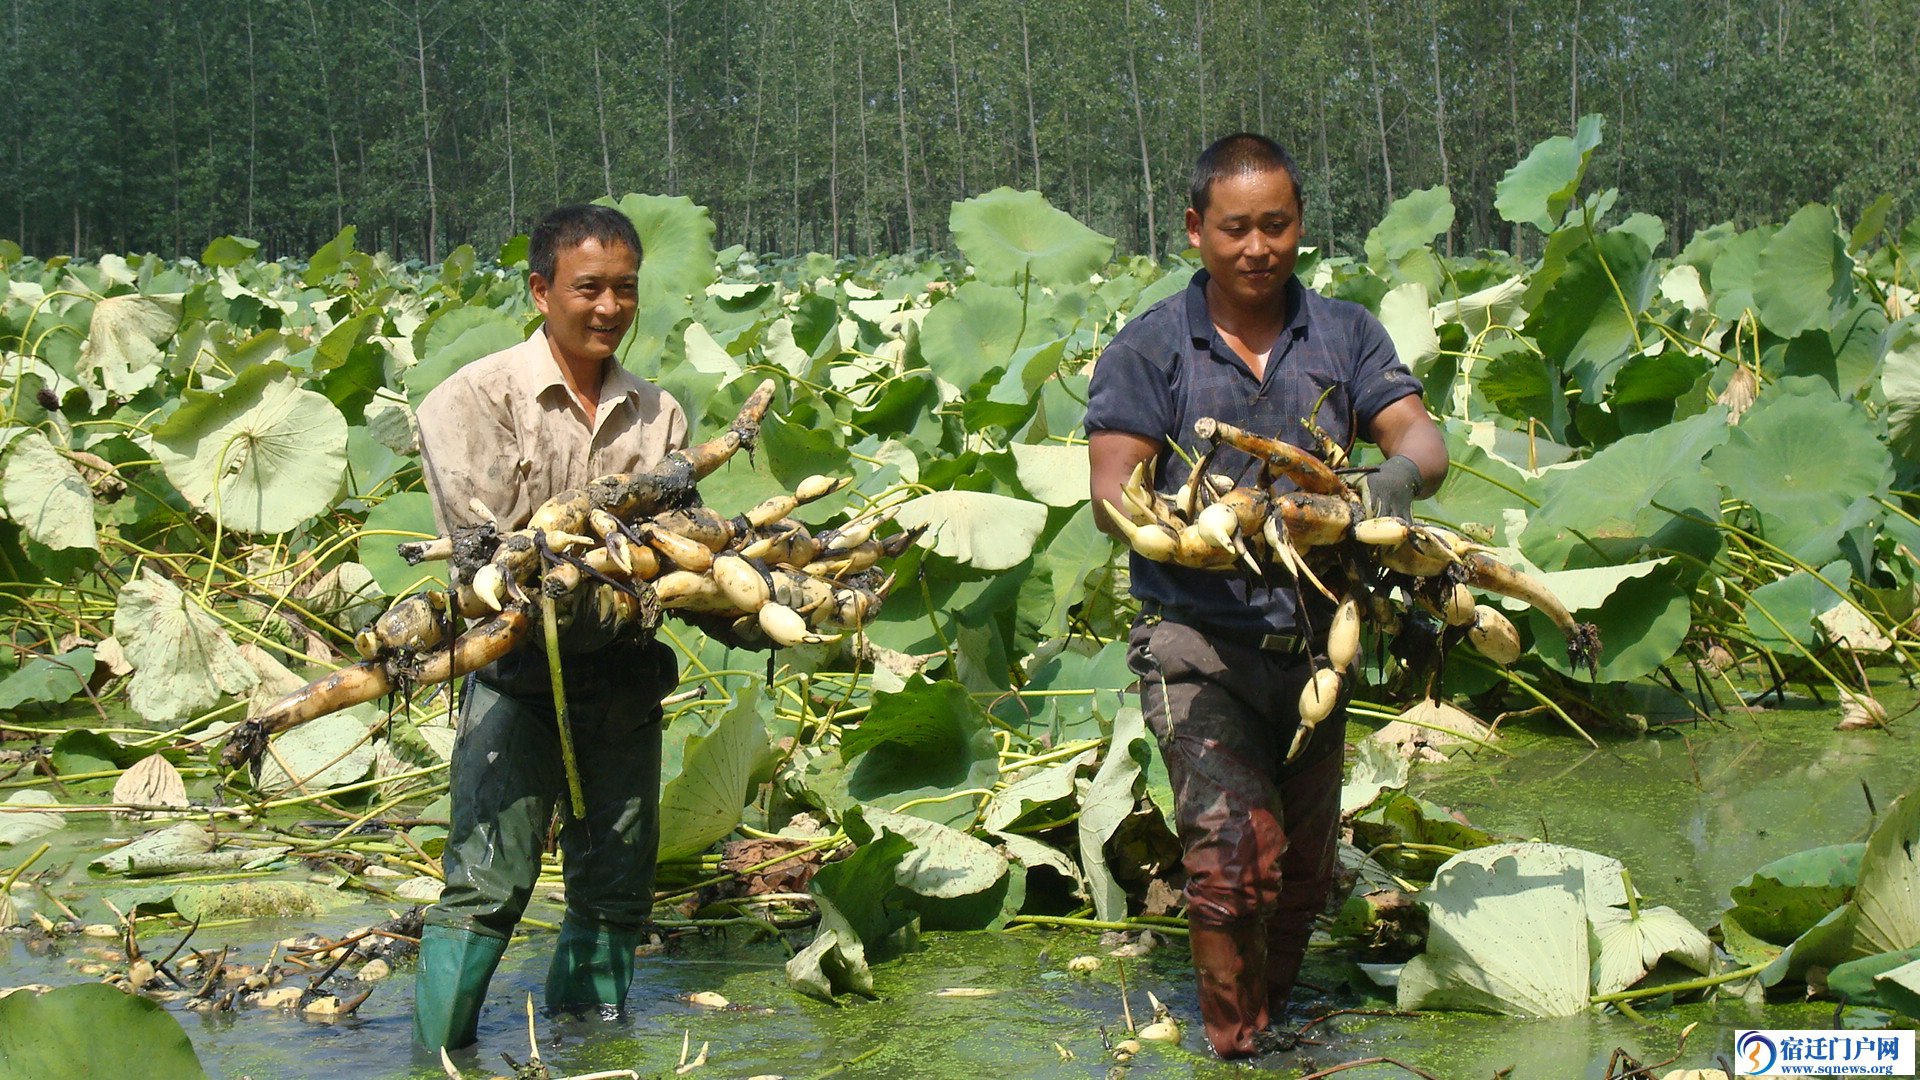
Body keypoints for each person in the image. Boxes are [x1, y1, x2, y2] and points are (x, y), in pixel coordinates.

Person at [1084, 134, 1448, 1059]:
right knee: (1232, 858)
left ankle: (1274, 1030)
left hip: (1319, 636)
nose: (1259, 248)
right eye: (1236, 229)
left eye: (1276, 226)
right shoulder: (1151, 347)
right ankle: (1235, 1048)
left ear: (1299, 225)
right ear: (1196, 230)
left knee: (1302, 871)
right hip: (1195, 642)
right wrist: (1195, 525)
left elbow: (1420, 438)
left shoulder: (1345, 334)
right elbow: (1110, 489)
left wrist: (1397, 478)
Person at [410, 204, 688, 1054]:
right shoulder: (473, 400)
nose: (608, 308)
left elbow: (678, 548)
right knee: (486, 885)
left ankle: (592, 1057)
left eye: (625, 290)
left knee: (614, 891)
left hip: (625, 677)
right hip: (515, 669)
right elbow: (485, 557)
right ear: (540, 290)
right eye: (588, 288)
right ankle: (436, 1063)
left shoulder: (658, 415)